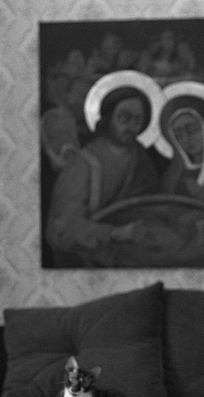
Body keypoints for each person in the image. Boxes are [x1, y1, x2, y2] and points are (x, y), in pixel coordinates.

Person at [45, 86, 161, 267]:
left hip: (135, 252)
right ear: (109, 118)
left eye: (138, 121)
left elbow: (154, 206)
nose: (131, 127)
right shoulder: (83, 164)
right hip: (87, 259)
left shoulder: (141, 160)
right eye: (124, 118)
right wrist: (116, 233)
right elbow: (61, 229)